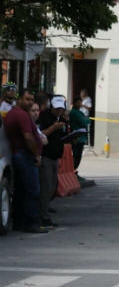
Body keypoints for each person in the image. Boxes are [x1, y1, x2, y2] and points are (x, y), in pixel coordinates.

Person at [3, 89, 47, 233]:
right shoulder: (21, 115)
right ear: (19, 99)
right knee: (32, 190)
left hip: (20, 155)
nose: (29, 102)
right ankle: (31, 222)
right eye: (27, 99)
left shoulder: (15, 113)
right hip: (24, 155)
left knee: (22, 191)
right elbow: (28, 137)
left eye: (31, 100)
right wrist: (36, 155)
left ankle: (20, 222)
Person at [38, 95, 67, 227]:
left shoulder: (60, 118)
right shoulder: (44, 117)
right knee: (46, 187)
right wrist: (54, 127)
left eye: (61, 109)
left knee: (52, 187)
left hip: (55, 157)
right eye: (57, 109)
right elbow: (40, 134)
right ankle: (43, 215)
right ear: (52, 108)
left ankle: (44, 209)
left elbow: (61, 137)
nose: (59, 111)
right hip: (46, 157)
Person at [69, 96, 90, 170]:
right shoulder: (74, 113)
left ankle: (74, 169)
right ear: (74, 103)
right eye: (78, 103)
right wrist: (87, 120)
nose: (80, 104)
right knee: (76, 155)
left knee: (78, 155)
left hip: (81, 136)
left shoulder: (79, 112)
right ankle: (73, 169)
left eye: (80, 102)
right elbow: (84, 122)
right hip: (77, 137)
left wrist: (85, 119)